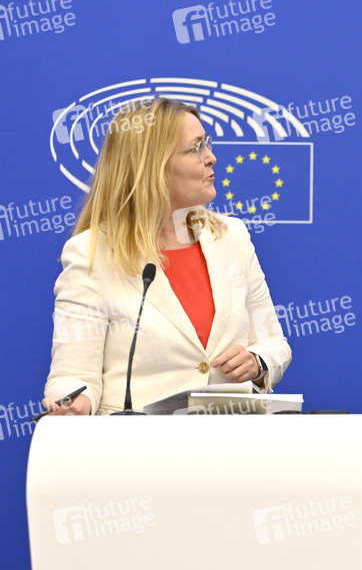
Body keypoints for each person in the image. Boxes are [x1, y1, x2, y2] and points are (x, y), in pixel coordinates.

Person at [42, 98, 291, 415]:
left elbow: (274, 343)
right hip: (136, 442)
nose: (211, 157)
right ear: (152, 165)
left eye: (207, 144)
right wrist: (73, 403)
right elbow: (73, 375)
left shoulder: (233, 237)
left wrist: (257, 362)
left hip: (230, 434)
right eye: (196, 148)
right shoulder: (90, 253)